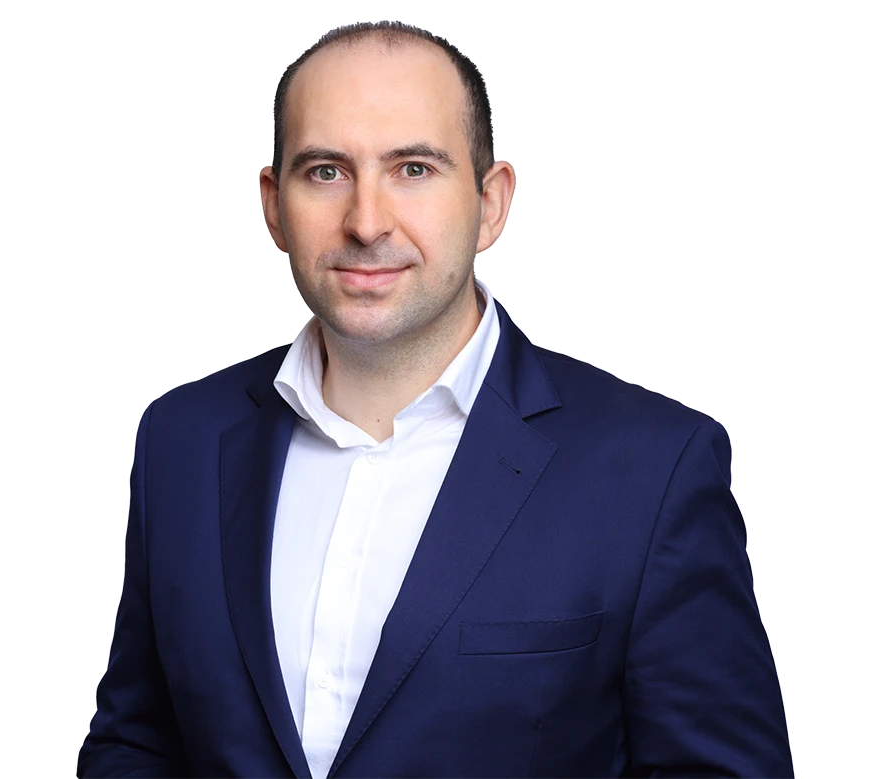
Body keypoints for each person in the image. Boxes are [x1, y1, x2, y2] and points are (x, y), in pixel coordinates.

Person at [77, 19, 794, 779]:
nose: (366, 222)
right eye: (326, 171)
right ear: (273, 206)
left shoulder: (653, 469)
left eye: (413, 169)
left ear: (491, 204)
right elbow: (137, 744)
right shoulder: (181, 440)